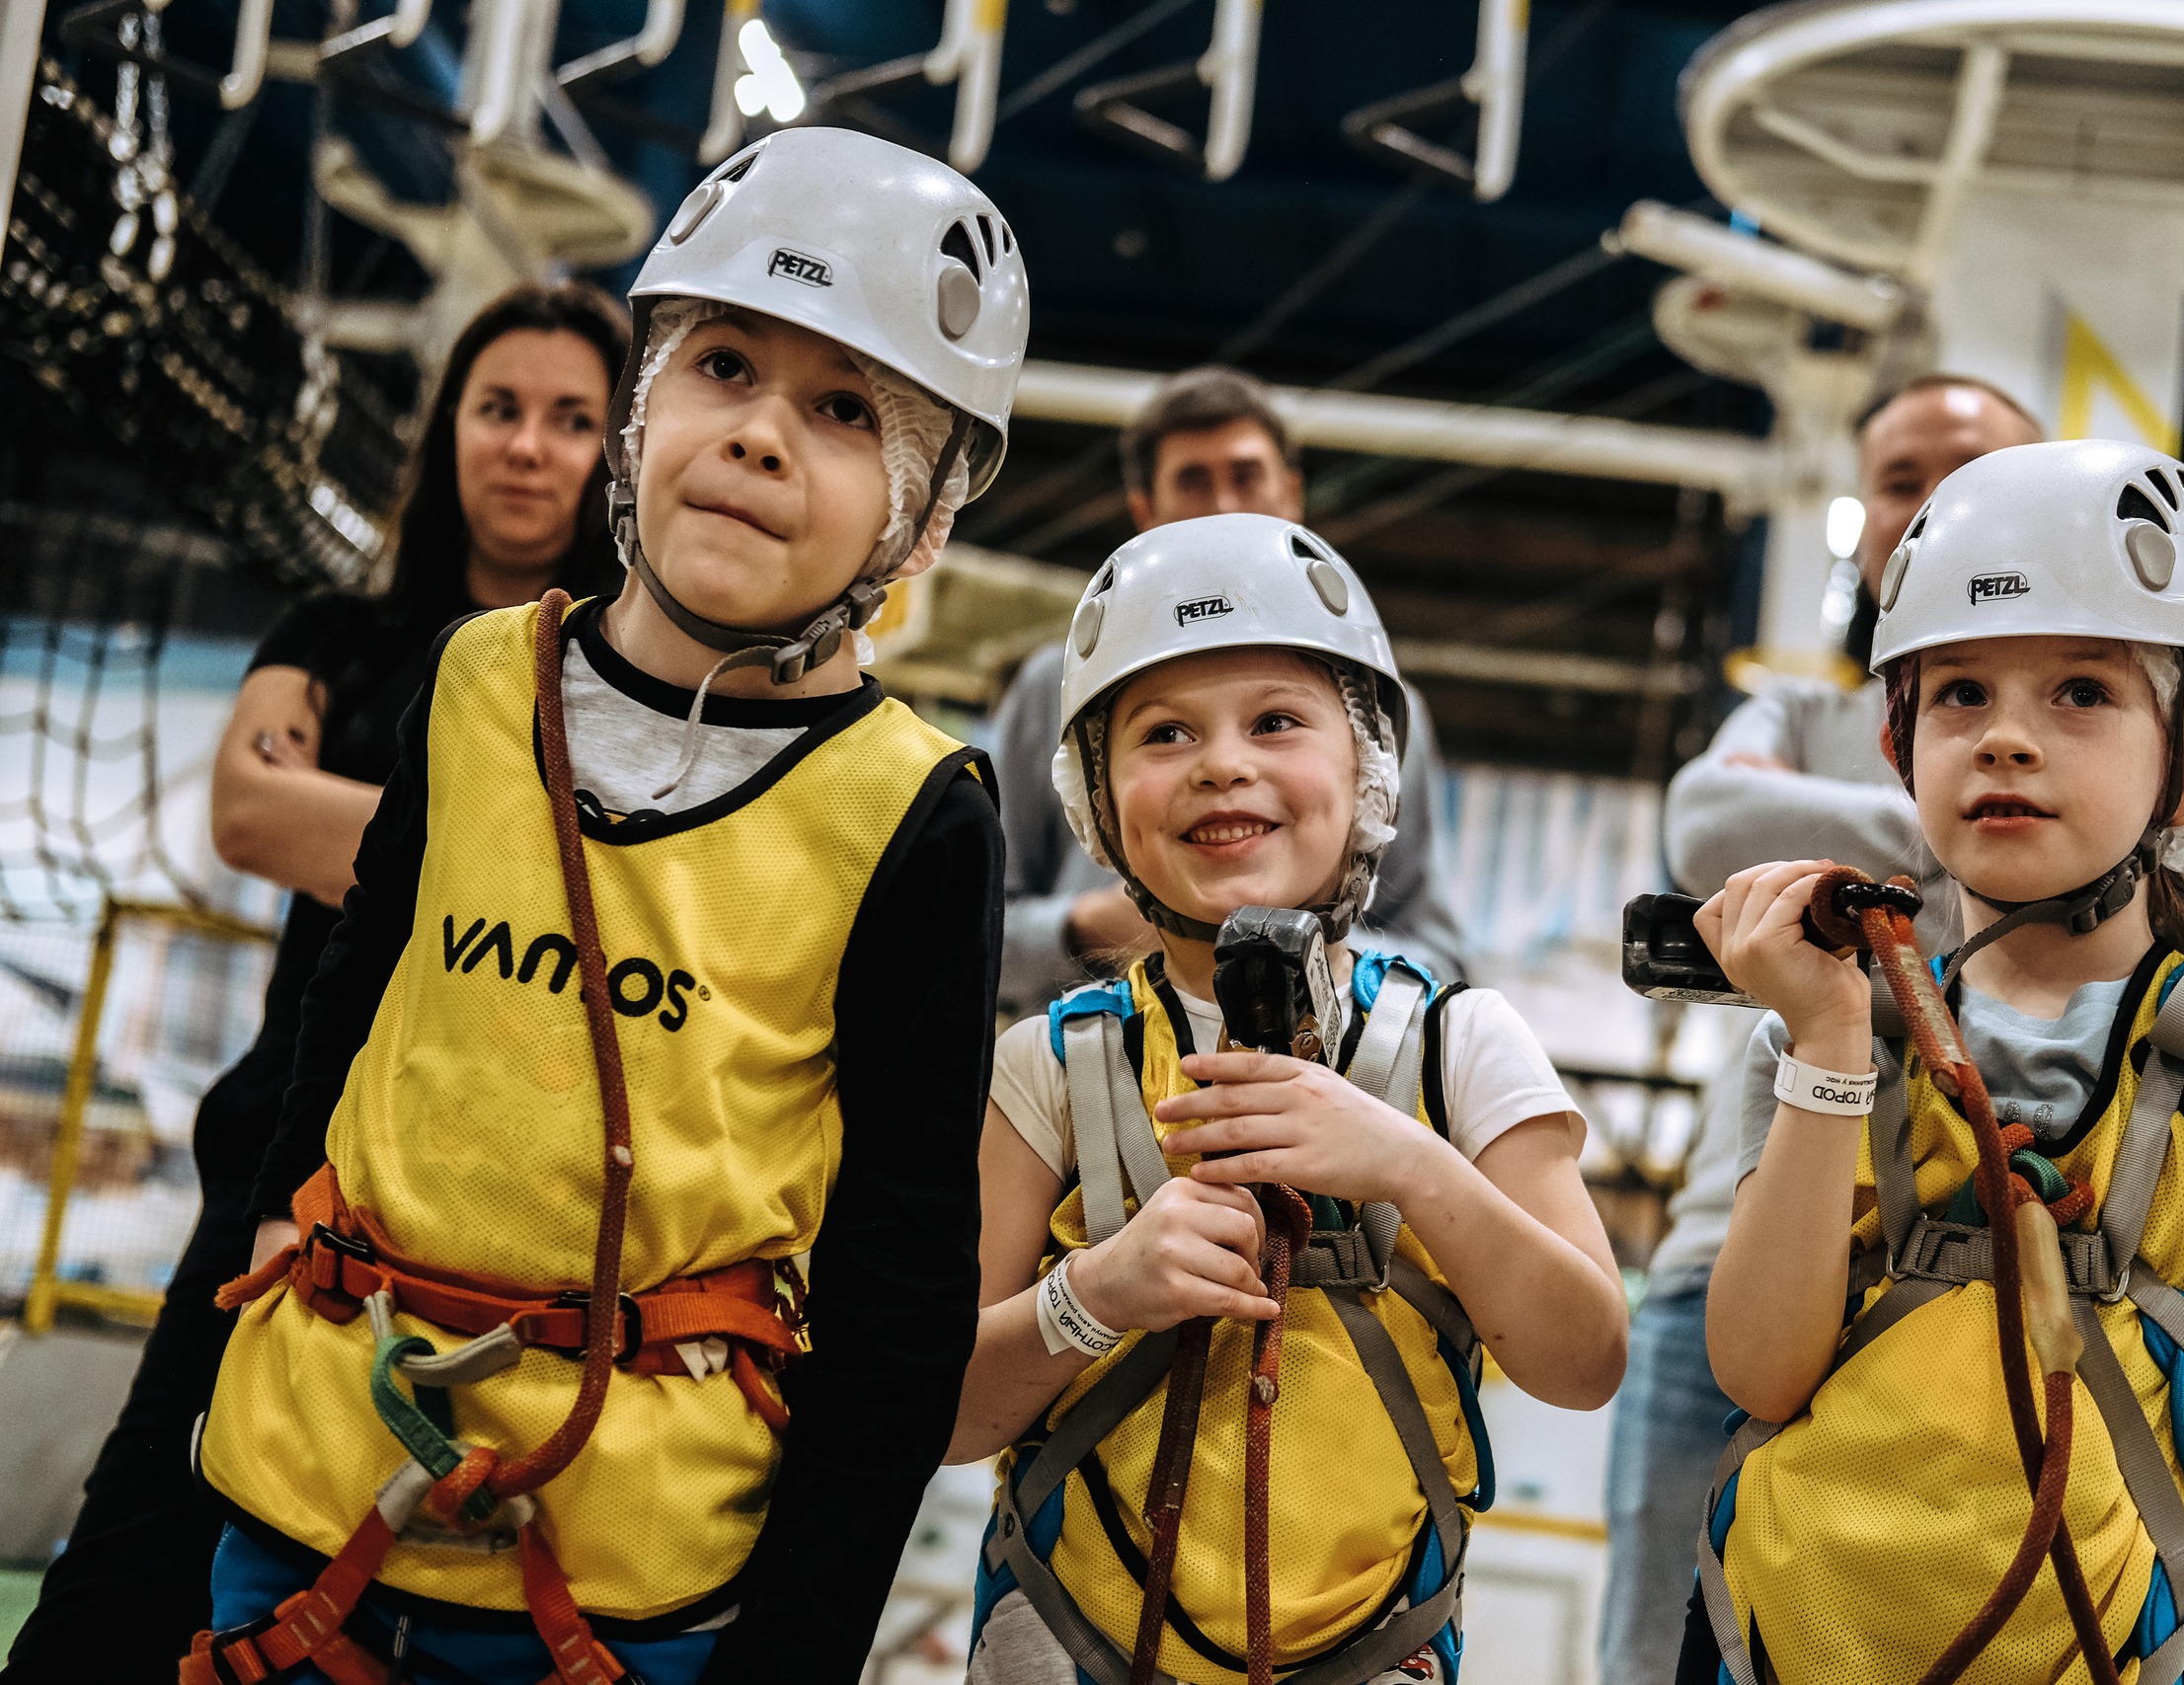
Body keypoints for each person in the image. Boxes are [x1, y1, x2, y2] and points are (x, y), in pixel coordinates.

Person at [183, 126, 1024, 1685]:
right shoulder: (472, 680)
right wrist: (282, 1220)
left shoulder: (919, 815)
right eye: (724, 366)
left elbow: (901, 1275)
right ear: (642, 416)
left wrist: (797, 1646)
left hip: (625, 1590)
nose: (760, 434)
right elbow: (352, 995)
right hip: (309, 1509)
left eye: (846, 410)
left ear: (922, 523)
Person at [1683, 438, 2184, 1683]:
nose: (2005, 739)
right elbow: (1761, 1368)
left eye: (2080, 692)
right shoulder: (1838, 1024)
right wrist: (1827, 1046)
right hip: (1768, 1642)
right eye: (1959, 694)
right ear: (1899, 745)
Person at [0, 282, 629, 1685]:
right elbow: (247, 815)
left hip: (494, 1212)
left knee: (393, 1610)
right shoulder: (337, 636)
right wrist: (517, 855)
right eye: (499, 408)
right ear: (449, 430)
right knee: (132, 1564)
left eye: (571, 418)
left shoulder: (607, 690)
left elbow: (333, 829)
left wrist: (364, 825)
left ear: (614, 454)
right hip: (283, 1167)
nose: (528, 446)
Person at [954, 513, 1626, 1685]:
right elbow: (945, 1416)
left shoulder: (1460, 1045)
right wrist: (1093, 1294)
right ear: (1096, 804)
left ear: (1368, 772)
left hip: (1372, 1649)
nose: (1222, 764)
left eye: (1274, 721)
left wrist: (1410, 1164)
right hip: (1070, 1643)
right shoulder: (1050, 1068)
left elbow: (1584, 1361)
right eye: (1164, 732)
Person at [1600, 373, 2042, 1685]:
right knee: (1655, 1656)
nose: (1930, 506)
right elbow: (1706, 823)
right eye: (1901, 480)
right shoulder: (1802, 707)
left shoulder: (2103, 725)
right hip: (1721, 1254)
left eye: (1969, 476)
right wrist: (1978, 840)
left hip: (1963, 1285)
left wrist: (1844, 862)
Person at [991, 365, 1464, 1015]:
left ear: (1291, 494)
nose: (1222, 506)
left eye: (1246, 476)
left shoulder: (1372, 702)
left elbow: (1440, 954)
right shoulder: (1058, 688)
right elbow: (970, 932)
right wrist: (1081, 929)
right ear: (1144, 512)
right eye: (1193, 480)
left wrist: (1319, 956)